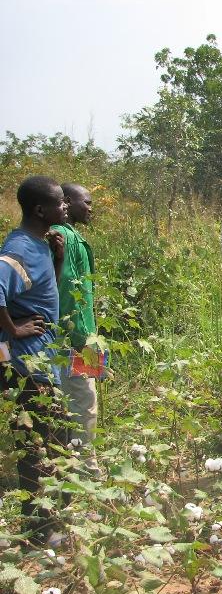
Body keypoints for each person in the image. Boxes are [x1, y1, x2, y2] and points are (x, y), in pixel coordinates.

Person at [0, 175, 69, 545]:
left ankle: (50, 521)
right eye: (60, 202)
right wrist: (14, 329)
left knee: (55, 439)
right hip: (28, 366)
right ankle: (39, 532)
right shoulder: (19, 248)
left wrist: (57, 259)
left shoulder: (40, 245)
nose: (65, 206)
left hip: (44, 362)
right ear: (41, 210)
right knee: (37, 446)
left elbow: (42, 293)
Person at [51, 183, 102, 476]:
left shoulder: (73, 237)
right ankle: (86, 470)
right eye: (87, 202)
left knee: (83, 399)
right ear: (68, 202)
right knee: (83, 401)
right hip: (77, 338)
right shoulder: (64, 237)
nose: (91, 208)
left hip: (85, 335)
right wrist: (85, 342)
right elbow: (70, 295)